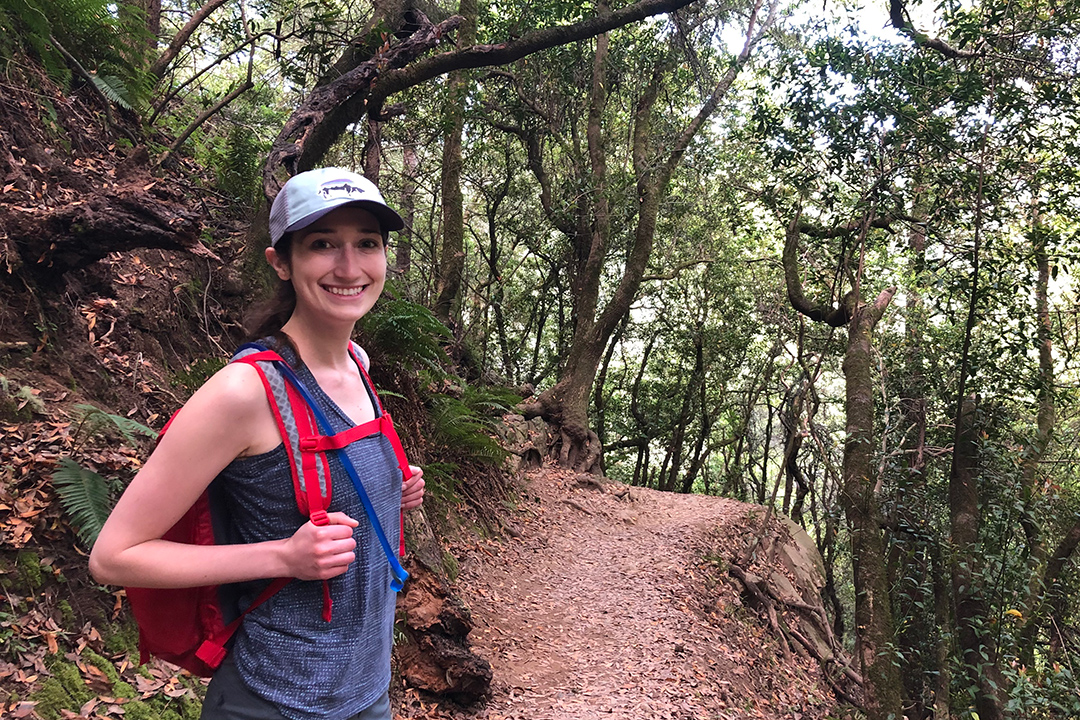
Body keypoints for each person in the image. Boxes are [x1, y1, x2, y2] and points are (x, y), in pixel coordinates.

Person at [90, 167, 426, 720]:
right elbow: (114, 557)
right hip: (275, 699)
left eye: (367, 243)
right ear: (281, 263)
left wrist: (392, 486)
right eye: (323, 245)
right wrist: (283, 557)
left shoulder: (357, 364)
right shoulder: (244, 392)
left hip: (368, 694)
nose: (349, 266)